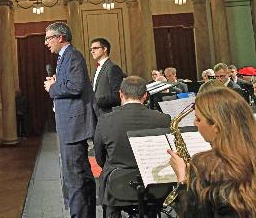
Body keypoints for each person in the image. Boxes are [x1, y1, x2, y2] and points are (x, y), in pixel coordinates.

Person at [168, 87, 256, 218]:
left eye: (198, 119)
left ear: (216, 126)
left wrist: (182, 178)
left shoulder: (205, 165)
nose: (194, 123)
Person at [94, 76, 171, 218]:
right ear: (145, 95)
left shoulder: (105, 121)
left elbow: (99, 158)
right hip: (155, 186)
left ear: (121, 94)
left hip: (117, 186)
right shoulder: (163, 119)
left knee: (107, 172)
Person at [43, 22, 96, 218]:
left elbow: (75, 87)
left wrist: (53, 88)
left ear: (60, 37)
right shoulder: (64, 58)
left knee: (75, 179)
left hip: (73, 127)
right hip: (70, 125)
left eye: (48, 38)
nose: (46, 42)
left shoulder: (72, 55)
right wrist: (57, 83)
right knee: (80, 176)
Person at [90, 38, 125, 115]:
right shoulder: (94, 70)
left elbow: (117, 95)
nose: (92, 51)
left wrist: (96, 101)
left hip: (108, 114)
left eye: (95, 48)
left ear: (105, 49)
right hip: (96, 114)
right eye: (91, 49)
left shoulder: (112, 68)